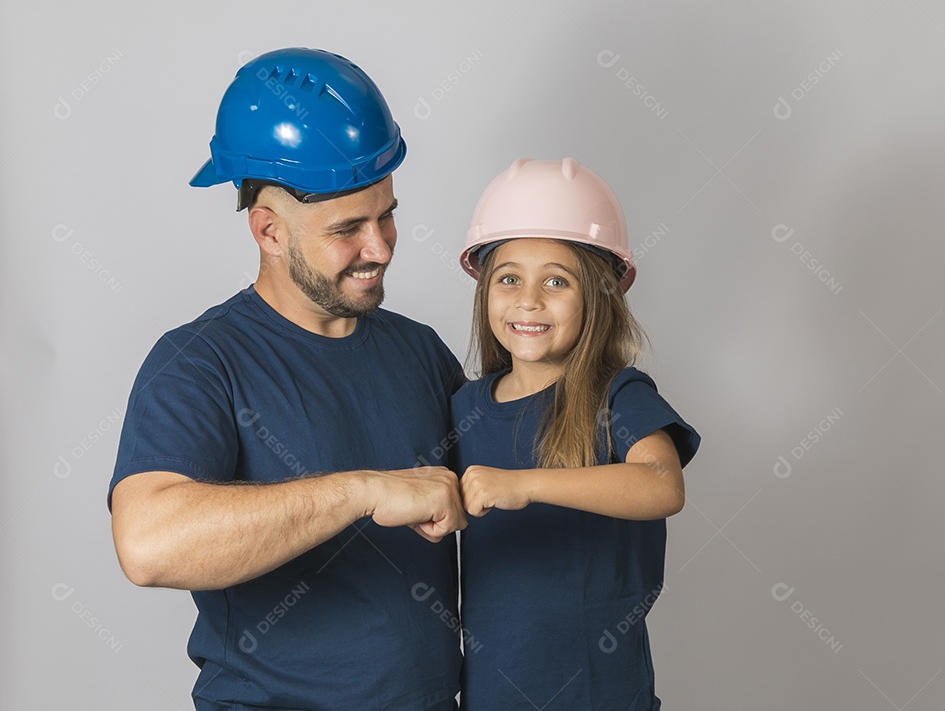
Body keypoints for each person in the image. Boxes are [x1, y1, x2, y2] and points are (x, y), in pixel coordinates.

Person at [109, 47, 468, 711]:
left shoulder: (419, 351)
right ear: (269, 232)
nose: (382, 246)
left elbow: (504, 484)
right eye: (348, 229)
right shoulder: (199, 363)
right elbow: (148, 544)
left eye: (386, 213)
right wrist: (361, 492)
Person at [450, 158, 701, 710]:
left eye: (556, 281)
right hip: (491, 695)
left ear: (600, 296)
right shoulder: (463, 409)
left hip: (600, 694)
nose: (528, 300)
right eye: (509, 278)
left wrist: (525, 486)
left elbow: (662, 485)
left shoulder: (619, 395)